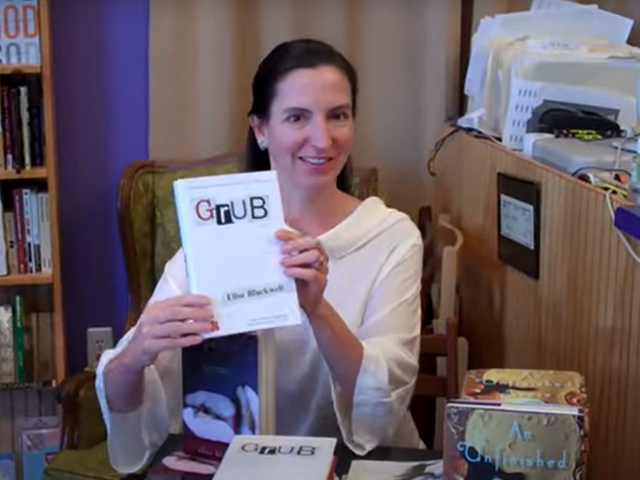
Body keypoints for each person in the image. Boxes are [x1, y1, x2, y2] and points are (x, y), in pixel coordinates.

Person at [95, 38, 425, 474]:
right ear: (261, 129)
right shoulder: (216, 238)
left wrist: (317, 309)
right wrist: (137, 350)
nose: (322, 139)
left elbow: (385, 396)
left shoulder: (392, 237)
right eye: (297, 117)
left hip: (357, 465)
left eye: (338, 116)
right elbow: (124, 391)